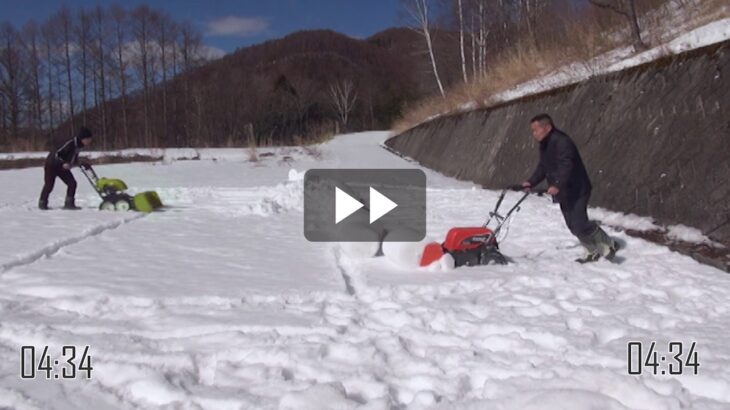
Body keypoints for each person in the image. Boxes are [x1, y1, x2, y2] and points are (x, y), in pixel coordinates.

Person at [522, 114, 617, 263]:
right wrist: (530, 182)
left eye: (536, 130)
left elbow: (567, 165)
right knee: (573, 226)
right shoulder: (545, 144)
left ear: (547, 127)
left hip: (577, 188)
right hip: (563, 192)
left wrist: (557, 184)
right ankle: (591, 251)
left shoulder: (562, 142)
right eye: (532, 131)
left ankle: (608, 243)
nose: (534, 134)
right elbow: (543, 167)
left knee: (579, 223)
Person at [38, 127, 93, 210]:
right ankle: (42, 203)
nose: (89, 141)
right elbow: (57, 154)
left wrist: (81, 163)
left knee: (72, 183)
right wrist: (64, 162)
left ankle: (69, 203)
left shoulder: (79, 146)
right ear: (83, 138)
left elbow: (73, 158)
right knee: (49, 185)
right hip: (51, 165)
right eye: (88, 139)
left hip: (62, 167)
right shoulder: (70, 143)